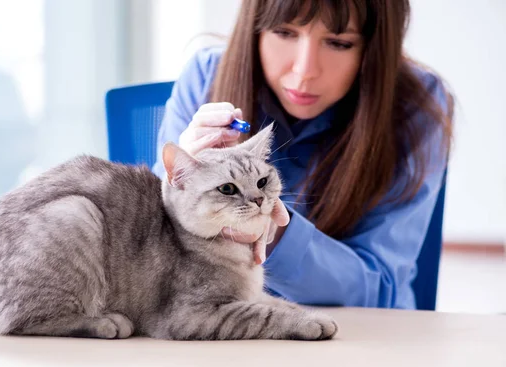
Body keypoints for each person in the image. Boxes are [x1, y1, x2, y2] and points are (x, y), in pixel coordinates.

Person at [152, 0, 454, 309]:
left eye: (339, 42)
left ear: (373, 47)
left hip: (359, 339)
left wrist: (274, 231)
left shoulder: (417, 108)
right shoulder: (206, 77)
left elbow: (380, 289)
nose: (304, 71)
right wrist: (180, 188)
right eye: (284, 32)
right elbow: (155, 249)